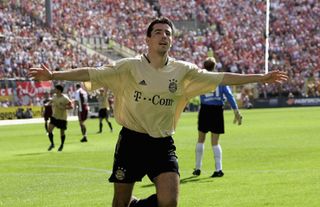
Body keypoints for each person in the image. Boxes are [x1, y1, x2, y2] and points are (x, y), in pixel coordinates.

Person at [29, 17, 288, 207]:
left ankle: (138, 205)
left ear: (172, 40)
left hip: (162, 143)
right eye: (158, 32)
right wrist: (53, 75)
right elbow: (90, 72)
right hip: (131, 140)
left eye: (168, 33)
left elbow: (221, 77)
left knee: (169, 202)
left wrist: (260, 77)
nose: (164, 36)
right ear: (148, 39)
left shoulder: (183, 70)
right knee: (119, 203)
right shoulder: (129, 67)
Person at [192, 57, 242, 178]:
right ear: (214, 67)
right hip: (217, 111)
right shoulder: (220, 79)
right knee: (215, 141)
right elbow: (229, 96)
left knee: (200, 139)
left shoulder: (201, 79)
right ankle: (218, 169)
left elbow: (192, 92)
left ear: (204, 67)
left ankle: (198, 168)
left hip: (205, 109)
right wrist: (236, 111)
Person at [46, 85, 73, 152]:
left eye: (56, 89)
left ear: (59, 90)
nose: (55, 90)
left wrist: (64, 108)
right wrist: (47, 104)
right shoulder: (54, 96)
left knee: (62, 132)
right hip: (54, 116)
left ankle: (61, 145)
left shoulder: (65, 98)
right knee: (49, 130)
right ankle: (52, 144)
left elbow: (71, 106)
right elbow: (51, 101)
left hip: (62, 117)